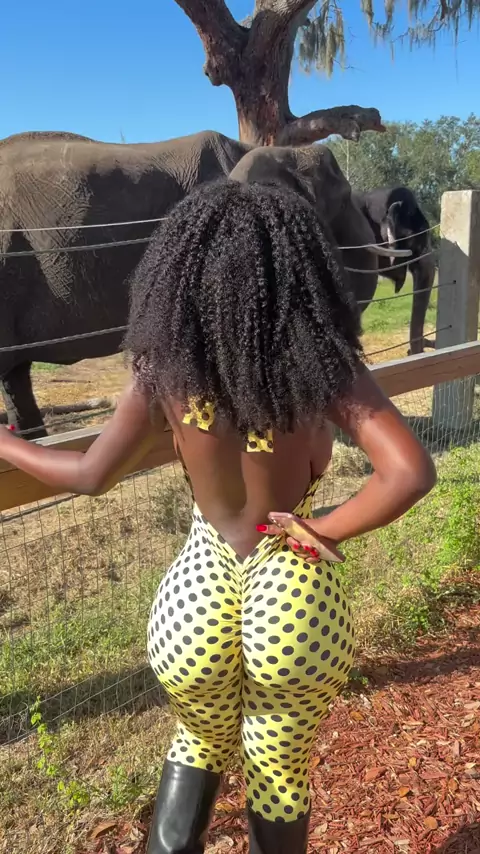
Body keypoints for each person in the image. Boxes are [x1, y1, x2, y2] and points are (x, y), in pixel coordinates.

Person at [0, 180, 436, 854]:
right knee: (278, 771)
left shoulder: (161, 370)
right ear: (299, 267)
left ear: (178, 271)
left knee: (195, 742)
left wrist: (5, 443)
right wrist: (322, 530)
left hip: (196, 595)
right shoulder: (323, 364)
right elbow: (409, 472)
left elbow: (89, 476)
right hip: (292, 594)